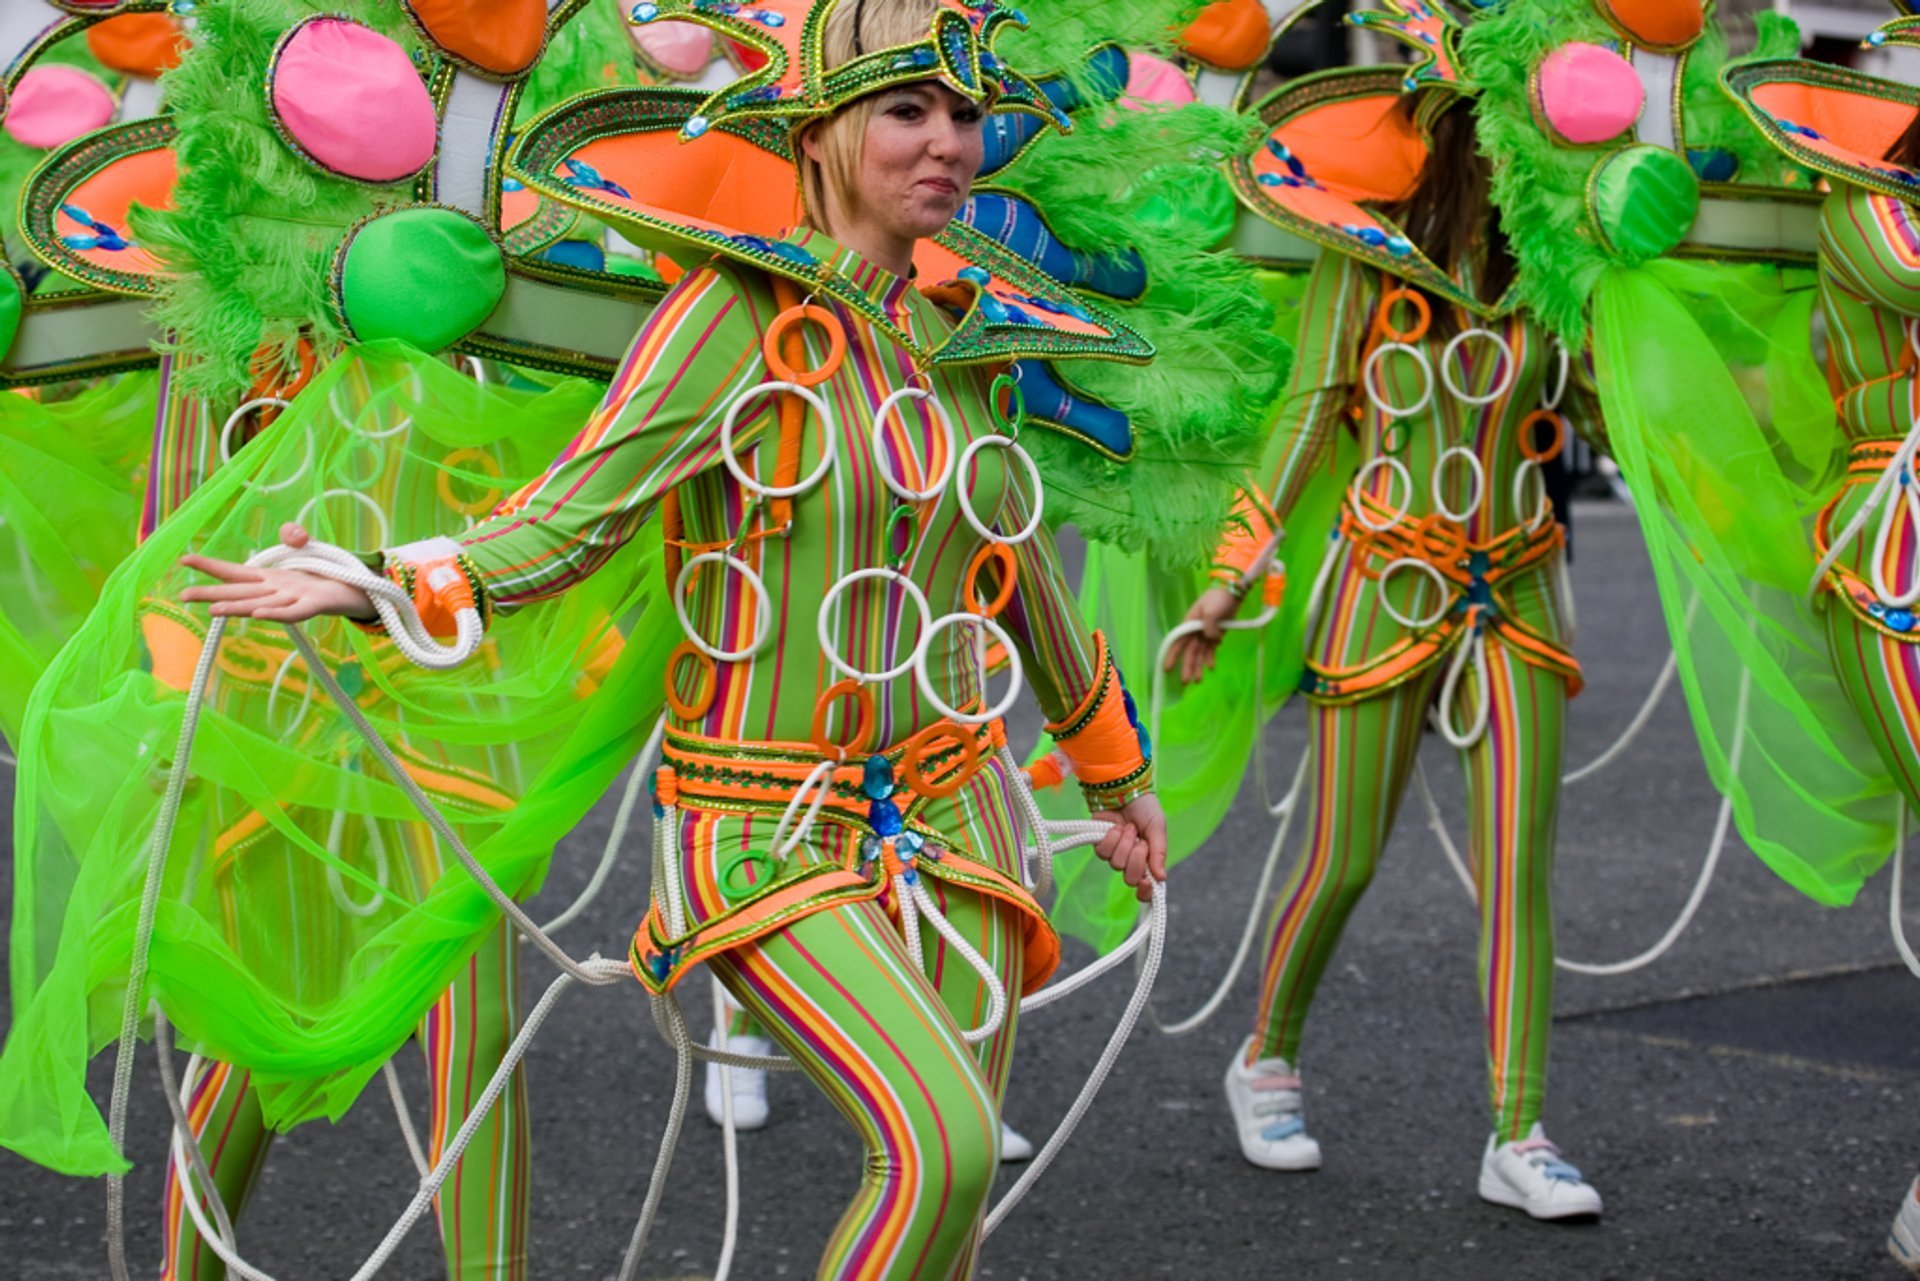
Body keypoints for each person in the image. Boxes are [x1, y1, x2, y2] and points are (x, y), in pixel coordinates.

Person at [180, 0, 1168, 1273]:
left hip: (958, 809)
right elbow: (572, 517)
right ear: (819, 135)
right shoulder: (729, 318)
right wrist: (374, 582)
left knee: (949, 1214)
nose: (946, 146)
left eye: (965, 116)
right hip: (762, 826)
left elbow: (1016, 569)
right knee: (944, 1147)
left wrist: (1115, 772)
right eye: (908, 112)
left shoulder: (960, 331)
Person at [1165, 83, 1603, 1218]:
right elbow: (1306, 423)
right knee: (1345, 860)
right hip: (1384, 589)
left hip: (1516, 590)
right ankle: (1266, 1057)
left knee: (1521, 872)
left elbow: (1618, 414)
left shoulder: (1559, 272)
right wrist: (1226, 585)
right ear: (1465, 134)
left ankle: (1521, 1132)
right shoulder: (1365, 259)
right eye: (1524, 130)